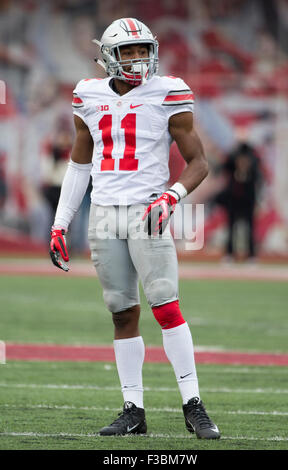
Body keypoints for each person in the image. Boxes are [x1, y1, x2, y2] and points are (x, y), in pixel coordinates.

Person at [49, 18, 220, 440]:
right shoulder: (86, 94)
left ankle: (193, 404)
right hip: (104, 214)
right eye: (129, 51)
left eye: (144, 49)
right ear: (109, 55)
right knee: (122, 312)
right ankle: (133, 410)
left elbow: (199, 162)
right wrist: (60, 224)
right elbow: (79, 164)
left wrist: (171, 196)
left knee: (166, 305)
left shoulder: (168, 91)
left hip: (148, 211)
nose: (139, 59)